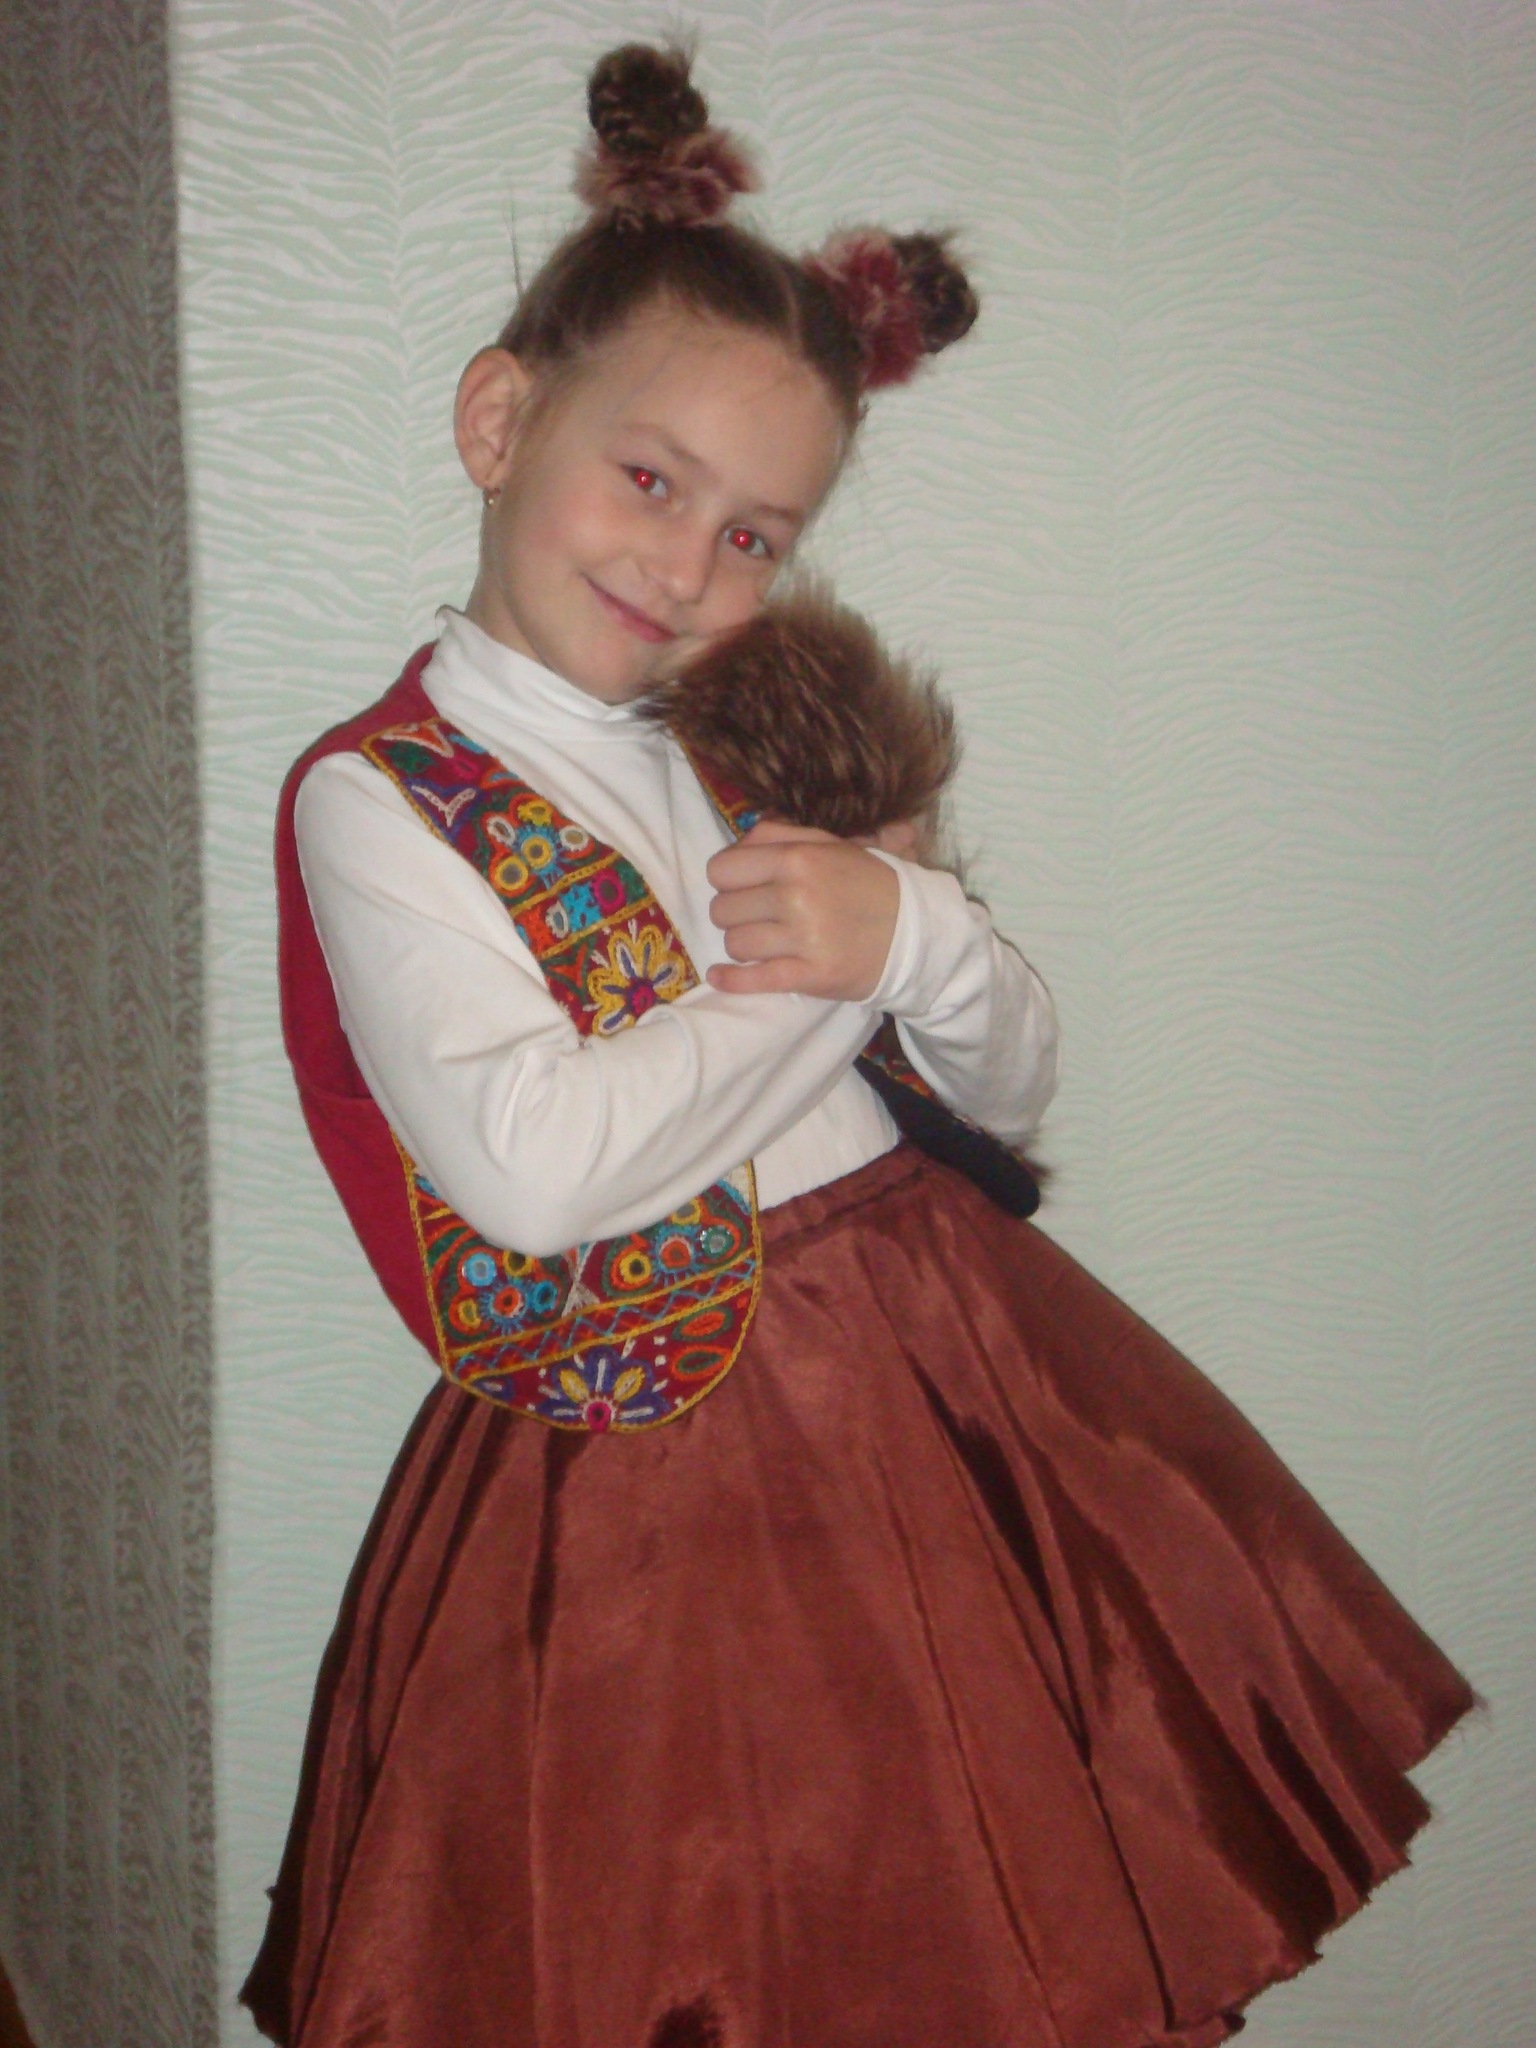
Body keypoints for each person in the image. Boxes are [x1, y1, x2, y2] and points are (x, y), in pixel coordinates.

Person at [242, 42, 1474, 2048]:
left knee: (985, 1911)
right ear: (500, 419)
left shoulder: (759, 740)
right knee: (718, 1931)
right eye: (652, 480)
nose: (684, 569)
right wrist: (829, 978)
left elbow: (1004, 1090)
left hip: (948, 1384)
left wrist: (919, 931)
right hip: (648, 1478)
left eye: (756, 534)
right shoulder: (382, 798)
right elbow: (538, 1170)